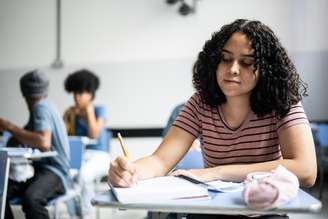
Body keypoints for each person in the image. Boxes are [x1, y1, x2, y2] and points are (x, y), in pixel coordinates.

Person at [108, 19, 317, 219]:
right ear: (214, 62)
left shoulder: (282, 102)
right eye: (225, 59)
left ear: (266, 70)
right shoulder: (201, 102)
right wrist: (131, 171)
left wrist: (217, 173)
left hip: (264, 211)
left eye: (246, 62)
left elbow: (306, 170)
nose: (233, 69)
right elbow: (161, 160)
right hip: (212, 210)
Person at [0, 70, 70, 219]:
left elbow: (43, 142)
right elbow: (20, 138)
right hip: (43, 173)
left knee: (32, 199)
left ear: (24, 93)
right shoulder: (46, 107)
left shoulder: (41, 108)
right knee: (2, 189)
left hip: (56, 173)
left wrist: (9, 126)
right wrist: (16, 133)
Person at [63, 69, 111, 218]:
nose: (76, 97)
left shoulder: (99, 110)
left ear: (90, 93)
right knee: (64, 176)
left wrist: (89, 111)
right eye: (74, 93)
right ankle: (75, 215)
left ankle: (85, 215)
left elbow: (94, 134)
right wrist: (67, 118)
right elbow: (64, 138)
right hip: (80, 156)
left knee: (84, 174)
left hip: (100, 156)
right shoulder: (71, 113)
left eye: (81, 93)